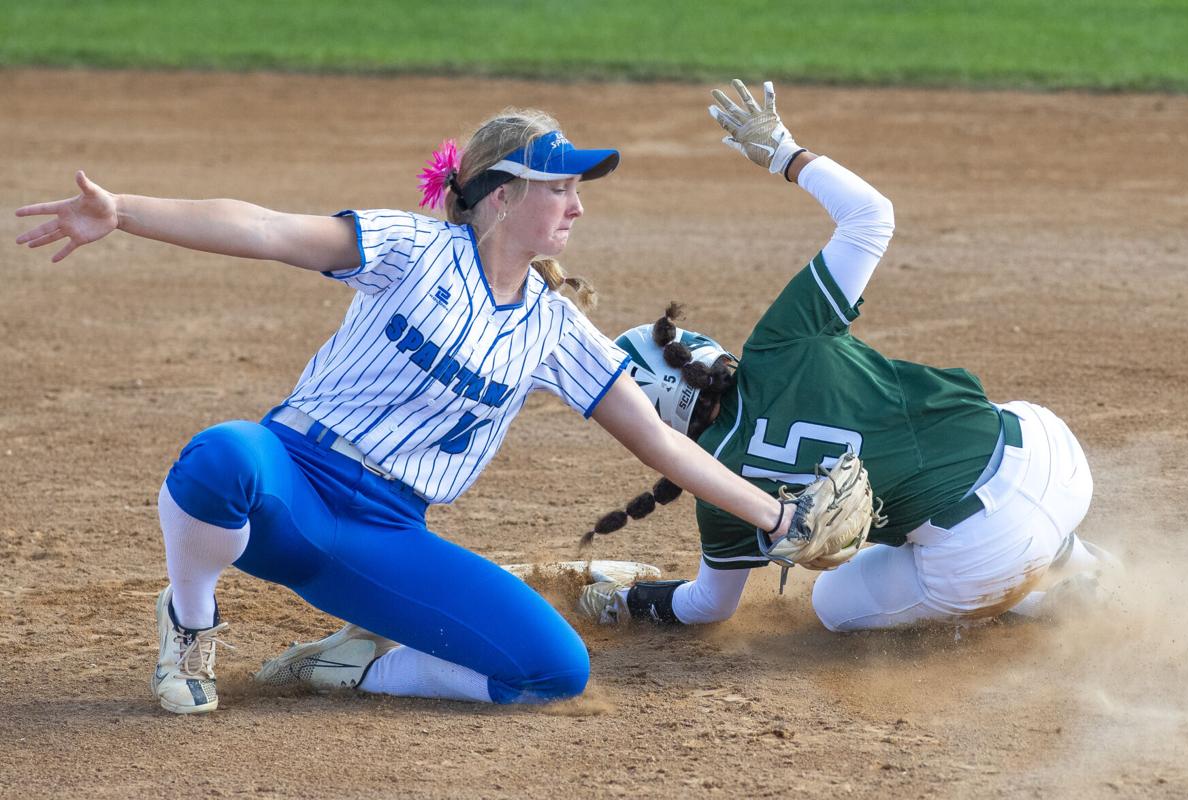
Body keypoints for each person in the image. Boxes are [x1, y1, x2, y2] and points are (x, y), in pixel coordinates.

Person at [15, 108, 810, 714]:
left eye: (576, 188)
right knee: (220, 456)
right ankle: (189, 625)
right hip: (287, 480)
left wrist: (776, 517)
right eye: (560, 187)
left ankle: (355, 664)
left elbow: (665, 448)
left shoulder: (557, 330)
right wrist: (123, 210)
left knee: (552, 672)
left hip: (382, 536)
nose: (577, 207)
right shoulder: (412, 248)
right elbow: (262, 228)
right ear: (503, 196)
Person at [578, 81, 1119, 632]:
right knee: (974, 446)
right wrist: (787, 154)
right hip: (1055, 459)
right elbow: (870, 215)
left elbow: (708, 606)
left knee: (834, 601)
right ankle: (1079, 559)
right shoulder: (781, 342)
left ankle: (1031, 598)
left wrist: (634, 600)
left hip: (987, 554)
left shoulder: (718, 485)